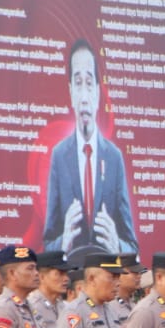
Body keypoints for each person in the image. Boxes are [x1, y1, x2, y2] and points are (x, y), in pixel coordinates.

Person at [43, 38, 137, 254]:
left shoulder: (114, 157)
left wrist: (117, 246)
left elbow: (131, 246)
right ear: (70, 92)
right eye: (78, 83)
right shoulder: (59, 156)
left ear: (97, 92)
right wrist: (63, 243)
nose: (84, 97)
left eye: (89, 83)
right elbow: (48, 244)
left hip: (105, 281)